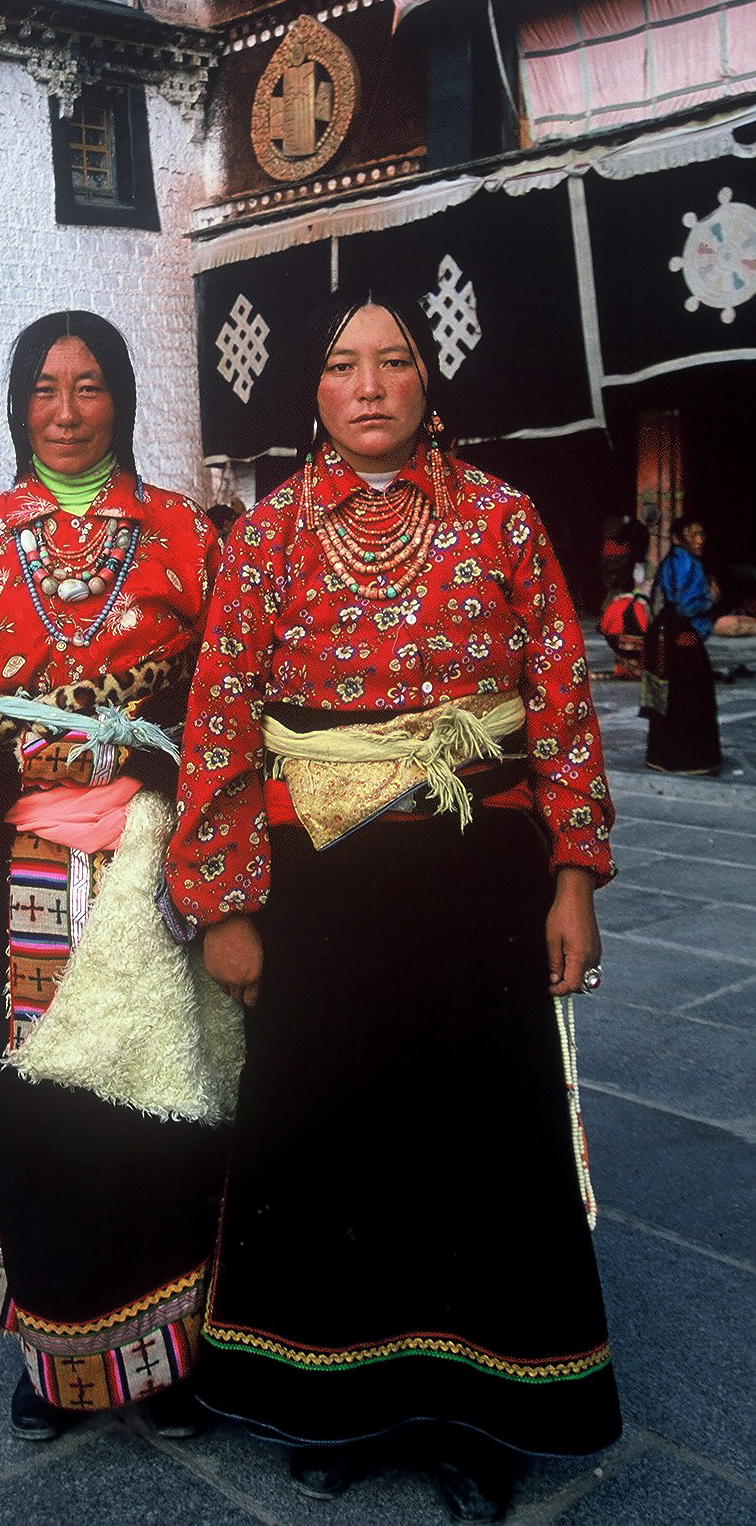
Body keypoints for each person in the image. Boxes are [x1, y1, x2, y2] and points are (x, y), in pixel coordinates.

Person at [166, 294, 621, 1522]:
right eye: (340, 365)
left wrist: (569, 878)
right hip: (324, 890)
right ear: (309, 391)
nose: (368, 387)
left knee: (477, 1139)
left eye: (394, 361)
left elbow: (562, 706)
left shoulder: (502, 520)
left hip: (477, 880)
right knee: (331, 1131)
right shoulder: (263, 537)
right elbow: (216, 728)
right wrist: (224, 906)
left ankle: (482, 1413)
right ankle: (335, 1395)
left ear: (429, 380)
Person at [0, 312, 223, 1443]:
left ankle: (164, 1362)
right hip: (20, 861)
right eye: (44, 389)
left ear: (121, 396)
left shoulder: (181, 535)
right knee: (41, 1109)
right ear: (18, 402)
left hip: (151, 858)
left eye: (89, 388)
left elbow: (226, 703)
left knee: (156, 1096)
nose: (65, 413)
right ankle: (53, 1355)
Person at [640, 516, 722, 776]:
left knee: (672, 702)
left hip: (669, 639)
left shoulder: (672, 562)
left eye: (701, 533)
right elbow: (684, 606)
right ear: (678, 538)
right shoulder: (686, 563)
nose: (700, 540)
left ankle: (664, 757)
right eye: (693, 534)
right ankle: (689, 760)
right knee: (690, 702)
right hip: (683, 640)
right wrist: (711, 599)